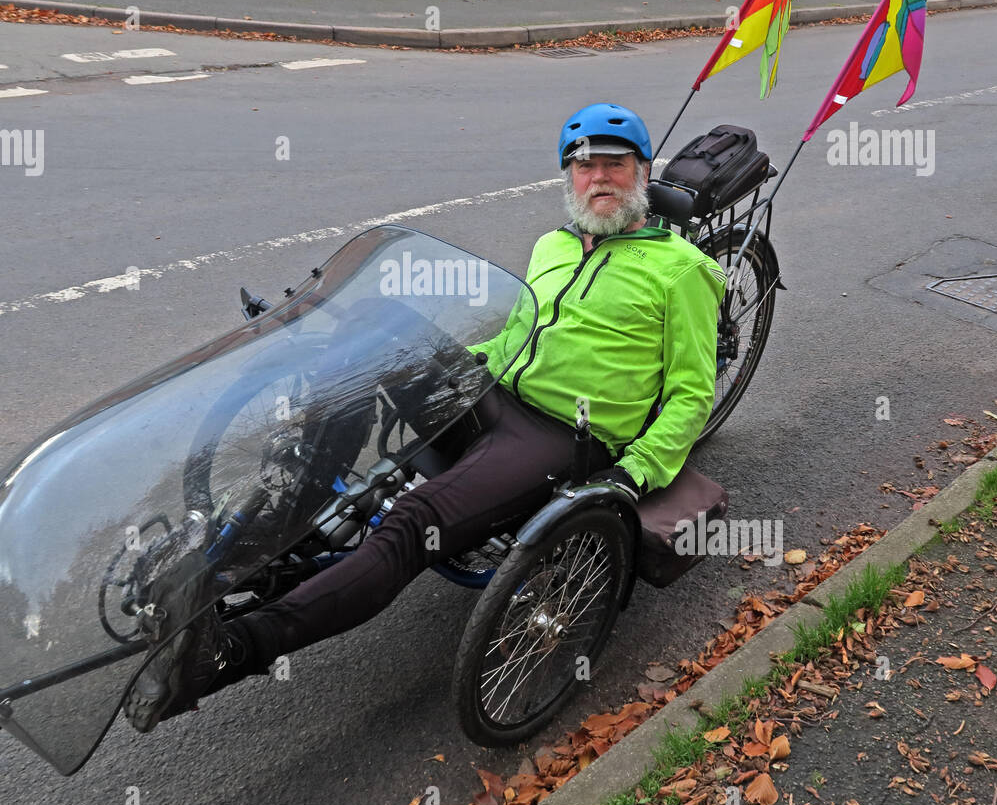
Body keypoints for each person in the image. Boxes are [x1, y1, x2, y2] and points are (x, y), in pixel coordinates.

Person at [124, 102, 727, 733]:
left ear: (644, 174)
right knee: (374, 351)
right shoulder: (552, 246)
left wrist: (634, 474)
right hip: (493, 392)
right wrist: (449, 364)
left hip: (560, 436)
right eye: (585, 167)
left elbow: (690, 394)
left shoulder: (680, 272)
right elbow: (518, 336)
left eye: (616, 165)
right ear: (567, 178)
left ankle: (229, 651)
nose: (599, 178)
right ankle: (251, 543)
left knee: (414, 520)